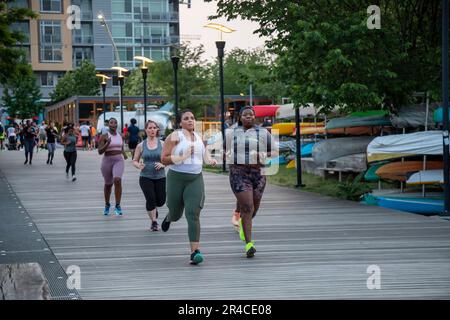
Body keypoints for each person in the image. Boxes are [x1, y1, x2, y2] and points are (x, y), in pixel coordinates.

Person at [161, 109, 217, 265]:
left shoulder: (199, 136)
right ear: (180, 122)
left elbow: (204, 153)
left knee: (193, 214)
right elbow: (164, 159)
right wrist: (182, 157)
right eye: (186, 118)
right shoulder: (174, 137)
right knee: (176, 213)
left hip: (195, 179)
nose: (191, 120)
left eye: (192, 118)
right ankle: (169, 217)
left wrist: (210, 160)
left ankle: (194, 252)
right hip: (176, 179)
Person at [226, 106, 278, 258]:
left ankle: (243, 222)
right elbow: (223, 151)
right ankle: (249, 244)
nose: (248, 116)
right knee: (247, 206)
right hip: (239, 172)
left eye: (251, 114)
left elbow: (275, 151)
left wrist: (263, 153)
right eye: (245, 114)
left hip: (259, 173)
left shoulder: (263, 132)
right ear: (240, 117)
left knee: (253, 207)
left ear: (255, 117)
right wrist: (230, 155)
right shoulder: (231, 133)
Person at [132, 120, 166, 231]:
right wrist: (139, 165)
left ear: (157, 130)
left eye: (154, 128)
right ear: (146, 130)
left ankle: (154, 209)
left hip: (160, 177)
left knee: (161, 201)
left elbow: (168, 159)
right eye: (150, 128)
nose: (152, 130)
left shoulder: (162, 144)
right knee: (150, 199)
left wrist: (162, 164)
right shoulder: (141, 145)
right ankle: (154, 222)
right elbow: (135, 160)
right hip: (145, 177)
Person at [98, 118, 128, 216]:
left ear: (117, 125)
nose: (113, 124)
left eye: (115, 123)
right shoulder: (104, 136)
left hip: (118, 160)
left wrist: (124, 154)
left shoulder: (121, 135)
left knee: (117, 180)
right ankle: (107, 205)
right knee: (108, 184)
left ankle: (118, 205)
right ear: (108, 125)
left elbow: (121, 146)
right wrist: (107, 144)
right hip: (107, 161)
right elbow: (100, 151)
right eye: (111, 123)